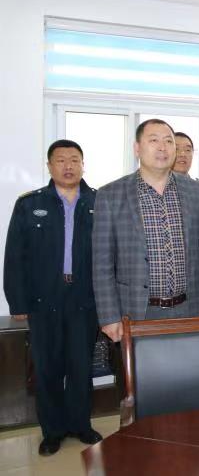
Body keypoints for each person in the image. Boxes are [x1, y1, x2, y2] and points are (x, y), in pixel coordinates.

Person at [3, 140, 101, 455]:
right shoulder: (30, 204)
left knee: (81, 367)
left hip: (85, 299)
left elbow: (110, 256)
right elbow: (14, 256)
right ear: (49, 166)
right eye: (61, 160)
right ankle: (52, 432)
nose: (68, 166)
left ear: (83, 164)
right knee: (48, 369)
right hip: (43, 300)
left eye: (74, 160)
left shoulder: (99, 202)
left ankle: (81, 425)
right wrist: (17, 302)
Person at [93, 119, 199, 344]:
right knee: (142, 369)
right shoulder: (110, 194)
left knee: (191, 366)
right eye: (154, 140)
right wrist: (109, 316)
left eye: (169, 141)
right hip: (137, 311)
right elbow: (102, 264)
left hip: (190, 308)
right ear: (137, 148)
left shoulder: (195, 191)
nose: (163, 147)